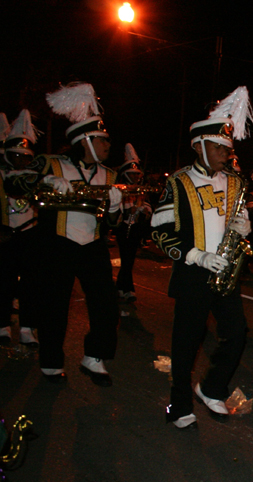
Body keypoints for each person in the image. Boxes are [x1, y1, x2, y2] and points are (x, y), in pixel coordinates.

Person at [150, 86, 253, 430]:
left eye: (228, 148)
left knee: (237, 333)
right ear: (199, 146)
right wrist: (196, 256)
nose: (225, 154)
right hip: (193, 272)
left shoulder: (235, 183)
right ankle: (179, 405)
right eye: (218, 147)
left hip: (225, 271)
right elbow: (160, 231)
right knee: (186, 344)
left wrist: (242, 227)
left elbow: (232, 222)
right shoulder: (179, 182)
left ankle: (211, 387)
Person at [27, 84, 123, 386]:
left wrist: (115, 208)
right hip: (57, 243)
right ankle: (51, 361)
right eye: (101, 140)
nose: (107, 145)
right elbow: (19, 183)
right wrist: (46, 182)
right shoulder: (52, 163)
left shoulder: (110, 174)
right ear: (84, 141)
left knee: (107, 304)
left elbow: (114, 224)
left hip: (93, 245)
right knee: (54, 304)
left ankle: (94, 357)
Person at [0, 110, 40, 348]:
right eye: (15, 155)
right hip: (5, 236)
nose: (20, 160)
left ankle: (27, 328)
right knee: (4, 282)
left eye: (24, 156)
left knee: (30, 284)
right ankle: (2, 325)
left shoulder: (35, 177)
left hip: (30, 235)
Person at [113, 143, 152, 304]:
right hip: (123, 228)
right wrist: (128, 209)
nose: (136, 177)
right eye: (132, 174)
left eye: (137, 174)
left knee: (129, 260)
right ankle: (128, 289)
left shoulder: (141, 189)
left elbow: (149, 205)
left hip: (136, 227)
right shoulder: (120, 188)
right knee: (127, 258)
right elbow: (117, 207)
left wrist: (144, 210)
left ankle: (121, 287)